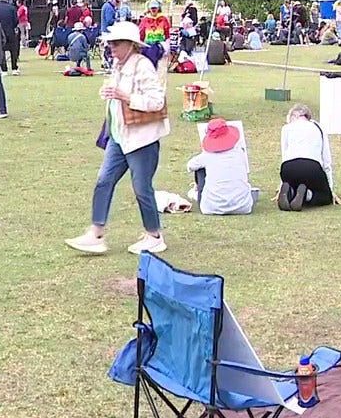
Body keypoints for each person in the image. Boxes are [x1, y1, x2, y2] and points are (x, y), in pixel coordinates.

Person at [66, 21, 170, 256]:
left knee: (141, 188)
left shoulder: (143, 66)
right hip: (118, 135)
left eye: (116, 43)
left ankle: (154, 235)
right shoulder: (117, 65)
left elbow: (157, 101)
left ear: (131, 45)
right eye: (109, 43)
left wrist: (126, 96)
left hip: (141, 139)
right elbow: (116, 94)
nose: (111, 47)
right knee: (104, 180)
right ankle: (96, 233)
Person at [276, 104, 339, 211]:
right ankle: (307, 195)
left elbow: (285, 156)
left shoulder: (286, 128)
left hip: (288, 168)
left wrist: (282, 183)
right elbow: (326, 159)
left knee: (295, 185)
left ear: (293, 116)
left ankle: (290, 192)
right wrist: (330, 189)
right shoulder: (319, 127)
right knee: (325, 196)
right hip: (311, 167)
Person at [186, 119, 254, 216]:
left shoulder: (207, 156)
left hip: (211, 208)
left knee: (200, 168)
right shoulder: (239, 152)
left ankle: (198, 191)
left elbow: (190, 166)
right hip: (243, 207)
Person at [0, 0, 21, 75]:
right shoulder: (12, 7)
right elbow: (16, 20)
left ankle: (4, 69)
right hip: (10, 32)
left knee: (1, 51)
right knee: (13, 50)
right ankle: (14, 68)